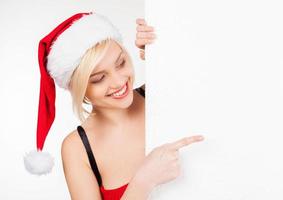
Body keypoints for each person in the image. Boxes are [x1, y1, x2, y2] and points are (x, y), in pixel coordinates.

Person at [23, 12, 204, 200]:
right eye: (99, 78)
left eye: (121, 63)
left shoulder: (159, 94)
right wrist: (143, 181)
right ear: (78, 89)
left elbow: (204, 72)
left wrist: (162, 46)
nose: (119, 81)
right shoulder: (76, 148)